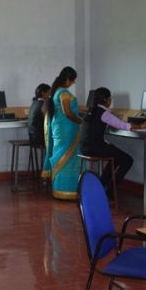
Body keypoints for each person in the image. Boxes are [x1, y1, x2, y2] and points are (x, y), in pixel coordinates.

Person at [80, 87, 146, 193]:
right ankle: (110, 190)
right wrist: (142, 126)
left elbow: (101, 126)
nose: (110, 101)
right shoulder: (104, 113)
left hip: (85, 147)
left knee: (116, 157)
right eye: (110, 98)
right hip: (95, 148)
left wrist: (113, 121)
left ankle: (102, 185)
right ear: (105, 100)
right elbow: (124, 126)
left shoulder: (90, 110)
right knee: (127, 160)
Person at [42, 66, 82, 200]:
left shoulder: (55, 91)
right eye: (72, 80)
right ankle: (68, 190)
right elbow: (67, 112)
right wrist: (81, 120)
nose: (73, 83)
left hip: (59, 129)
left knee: (61, 157)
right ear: (67, 79)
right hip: (67, 130)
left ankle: (59, 189)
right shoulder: (64, 92)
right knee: (68, 159)